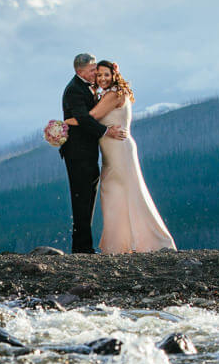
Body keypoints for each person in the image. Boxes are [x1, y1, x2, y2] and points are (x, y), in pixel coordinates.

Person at [68, 60, 176, 253]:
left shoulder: (113, 94)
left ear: (114, 75)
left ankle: (149, 241)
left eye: (105, 75)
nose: (101, 78)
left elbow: (90, 117)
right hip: (112, 152)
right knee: (115, 194)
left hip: (119, 150)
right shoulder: (112, 93)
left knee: (126, 192)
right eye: (99, 75)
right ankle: (119, 244)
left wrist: (65, 122)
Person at [60, 53, 127, 254]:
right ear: (79, 71)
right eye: (92, 70)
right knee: (81, 198)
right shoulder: (74, 90)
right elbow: (85, 118)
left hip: (88, 152)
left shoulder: (88, 88)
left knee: (88, 197)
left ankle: (83, 246)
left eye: (96, 69)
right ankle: (82, 247)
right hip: (78, 153)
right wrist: (106, 131)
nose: (96, 73)